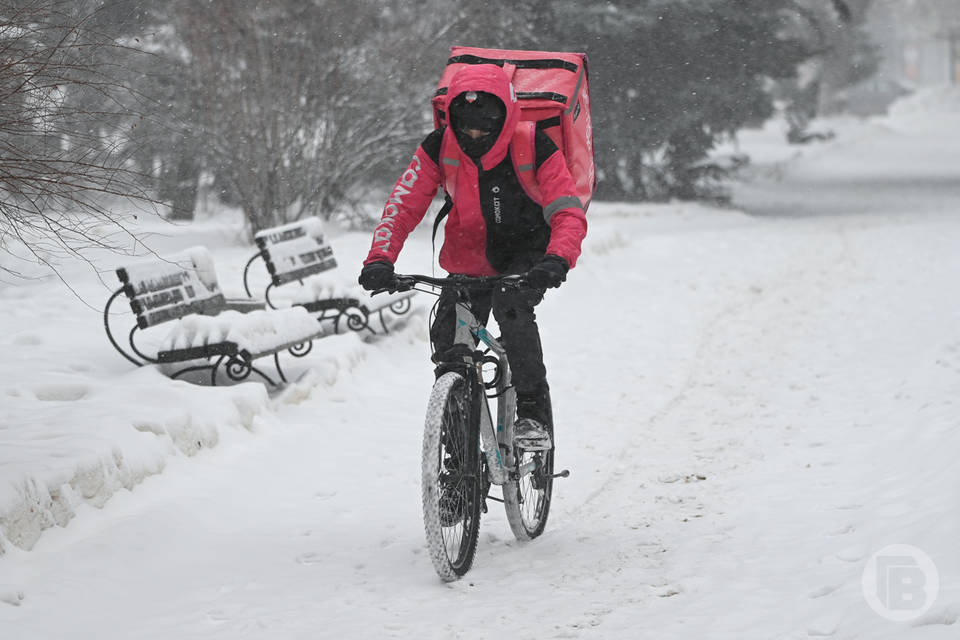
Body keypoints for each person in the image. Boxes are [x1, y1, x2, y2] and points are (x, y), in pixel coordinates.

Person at [358, 63, 587, 451]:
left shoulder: (533, 144)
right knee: (448, 340)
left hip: (527, 255)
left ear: (504, 118)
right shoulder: (439, 145)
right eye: (465, 128)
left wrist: (556, 259)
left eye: (484, 128)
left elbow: (568, 211)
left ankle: (531, 413)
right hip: (467, 255)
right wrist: (380, 258)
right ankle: (456, 454)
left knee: (512, 310)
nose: (474, 136)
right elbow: (403, 205)